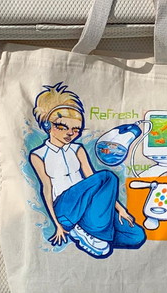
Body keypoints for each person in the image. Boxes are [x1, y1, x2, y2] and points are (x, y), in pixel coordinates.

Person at [29, 82, 146, 259]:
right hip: (65, 209)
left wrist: (119, 209)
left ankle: (89, 232)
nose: (70, 133)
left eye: (76, 129)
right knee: (108, 176)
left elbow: (94, 181)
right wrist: (57, 225)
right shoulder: (39, 155)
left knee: (136, 236)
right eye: (63, 127)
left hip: (87, 206)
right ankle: (92, 233)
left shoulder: (78, 149)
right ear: (47, 125)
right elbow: (46, 188)